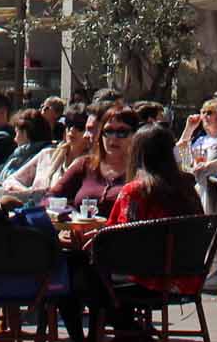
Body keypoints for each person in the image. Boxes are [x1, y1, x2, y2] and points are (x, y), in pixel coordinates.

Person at [61, 122, 203, 342]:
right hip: (185, 275)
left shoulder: (136, 191)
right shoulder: (187, 188)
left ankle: (112, 333)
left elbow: (120, 241)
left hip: (145, 278)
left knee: (71, 268)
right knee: (88, 275)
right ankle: (130, 330)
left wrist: (94, 240)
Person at [52, 110, 134, 211]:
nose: (113, 138)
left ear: (134, 135)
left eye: (122, 132)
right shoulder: (84, 164)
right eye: (108, 131)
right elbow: (51, 197)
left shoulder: (141, 171)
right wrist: (70, 215)